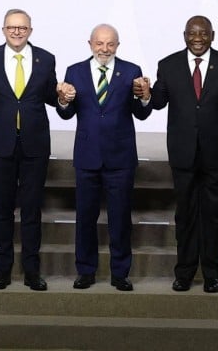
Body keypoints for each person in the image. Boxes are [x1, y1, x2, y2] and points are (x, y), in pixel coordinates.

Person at [149, 15, 218, 293]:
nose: (197, 38)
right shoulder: (167, 65)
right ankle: (184, 273)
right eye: (192, 33)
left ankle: (212, 274)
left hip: (217, 153)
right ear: (184, 35)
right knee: (185, 215)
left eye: (203, 33)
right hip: (183, 154)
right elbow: (157, 102)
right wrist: (144, 94)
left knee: (215, 216)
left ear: (212, 35)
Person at [0, 9, 59, 291]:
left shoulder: (46, 58)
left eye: (22, 28)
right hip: (2, 143)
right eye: (11, 28)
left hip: (35, 144)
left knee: (31, 210)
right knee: (2, 210)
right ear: (3, 30)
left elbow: (52, 97)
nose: (17, 32)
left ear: (30, 30)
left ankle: (32, 271)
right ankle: (2, 270)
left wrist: (63, 97)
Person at [56, 23, 153, 291]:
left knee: (120, 219)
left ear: (117, 46)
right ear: (90, 44)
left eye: (110, 44)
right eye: (99, 43)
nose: (104, 49)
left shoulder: (131, 71)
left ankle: (120, 272)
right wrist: (63, 100)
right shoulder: (74, 71)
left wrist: (145, 97)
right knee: (85, 218)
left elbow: (141, 113)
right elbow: (66, 112)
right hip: (87, 157)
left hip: (120, 158)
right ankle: (85, 271)